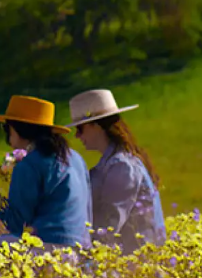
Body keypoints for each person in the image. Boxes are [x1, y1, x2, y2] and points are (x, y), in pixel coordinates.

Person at [0, 95, 91, 249]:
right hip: (82, 247)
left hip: (47, 247)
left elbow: (16, 224)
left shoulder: (29, 164)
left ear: (16, 129)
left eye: (6, 128)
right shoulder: (76, 158)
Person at [67, 89, 167, 254]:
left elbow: (110, 224)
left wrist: (82, 255)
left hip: (137, 262)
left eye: (80, 129)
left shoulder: (122, 166)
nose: (77, 136)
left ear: (96, 126)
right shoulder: (113, 163)